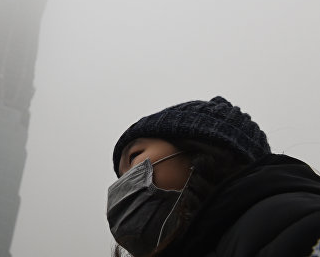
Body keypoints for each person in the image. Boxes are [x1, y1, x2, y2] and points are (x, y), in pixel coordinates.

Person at [107, 96, 320, 257]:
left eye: (134, 157)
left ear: (198, 148)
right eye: (121, 176)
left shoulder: (292, 221)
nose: (126, 183)